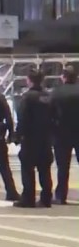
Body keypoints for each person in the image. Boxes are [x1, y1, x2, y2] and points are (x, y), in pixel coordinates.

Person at [14, 70, 53, 208]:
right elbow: (56, 116)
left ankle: (28, 198)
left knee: (28, 169)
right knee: (45, 169)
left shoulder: (27, 97)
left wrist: (17, 136)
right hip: (46, 138)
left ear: (29, 80)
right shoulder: (48, 96)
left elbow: (22, 118)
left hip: (30, 139)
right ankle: (46, 198)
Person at [50, 64, 79, 205]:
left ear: (63, 77)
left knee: (62, 167)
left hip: (61, 133)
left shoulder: (56, 92)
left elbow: (50, 113)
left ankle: (61, 196)